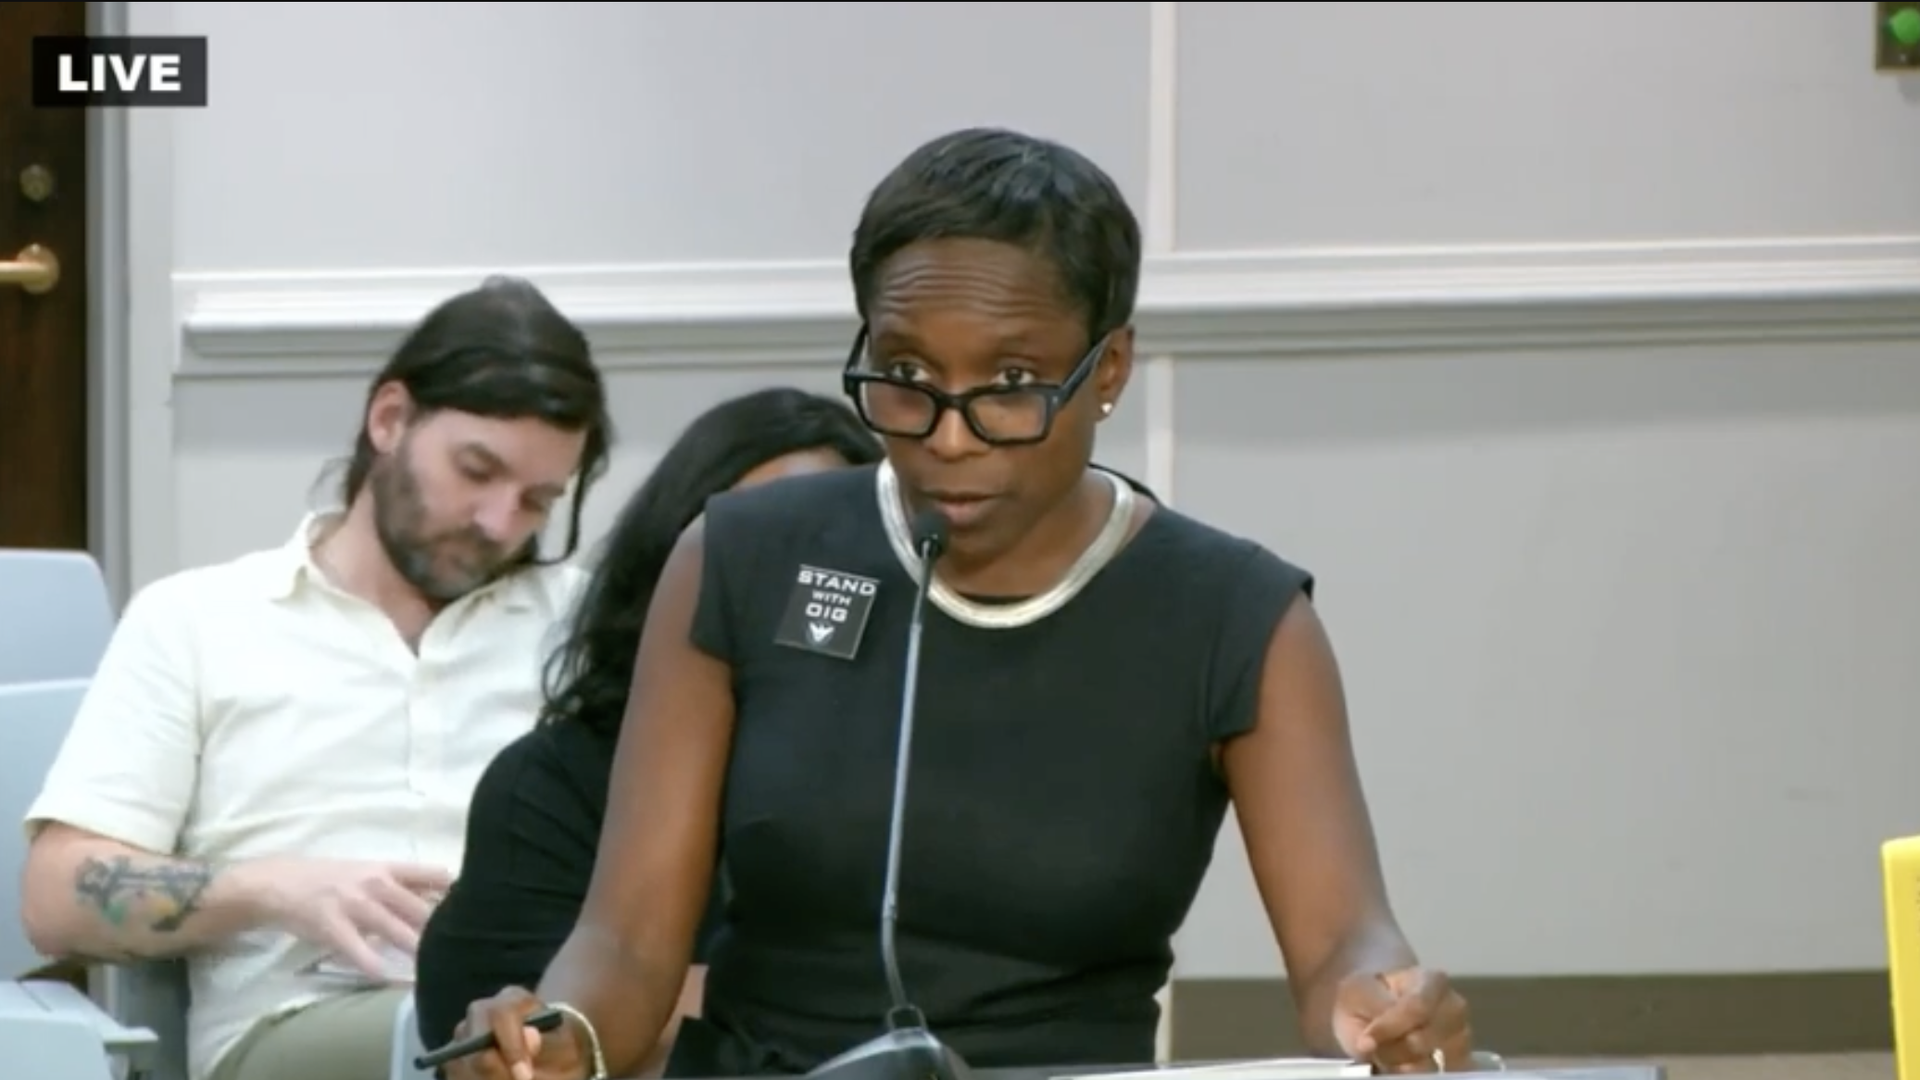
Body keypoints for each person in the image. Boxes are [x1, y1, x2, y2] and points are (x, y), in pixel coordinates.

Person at [445, 127, 1475, 1080]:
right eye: (904, 375)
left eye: (1013, 380)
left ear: (1106, 370)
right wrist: (560, 1040)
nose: (947, 434)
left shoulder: (1236, 618)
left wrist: (1388, 1007)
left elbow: (1345, 940)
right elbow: (625, 943)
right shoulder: (741, 557)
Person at [20, 275, 613, 1080]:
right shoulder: (200, 620)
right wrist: (276, 889)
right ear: (390, 419)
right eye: (476, 471)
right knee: (458, 1041)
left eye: (537, 501)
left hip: (553, 1023)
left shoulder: (585, 630)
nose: (498, 523)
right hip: (300, 1028)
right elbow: (56, 899)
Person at [412, 387, 884, 1070]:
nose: (799, 589)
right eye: (754, 550)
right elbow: (531, 1039)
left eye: (825, 559)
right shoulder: (552, 785)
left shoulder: (923, 763)